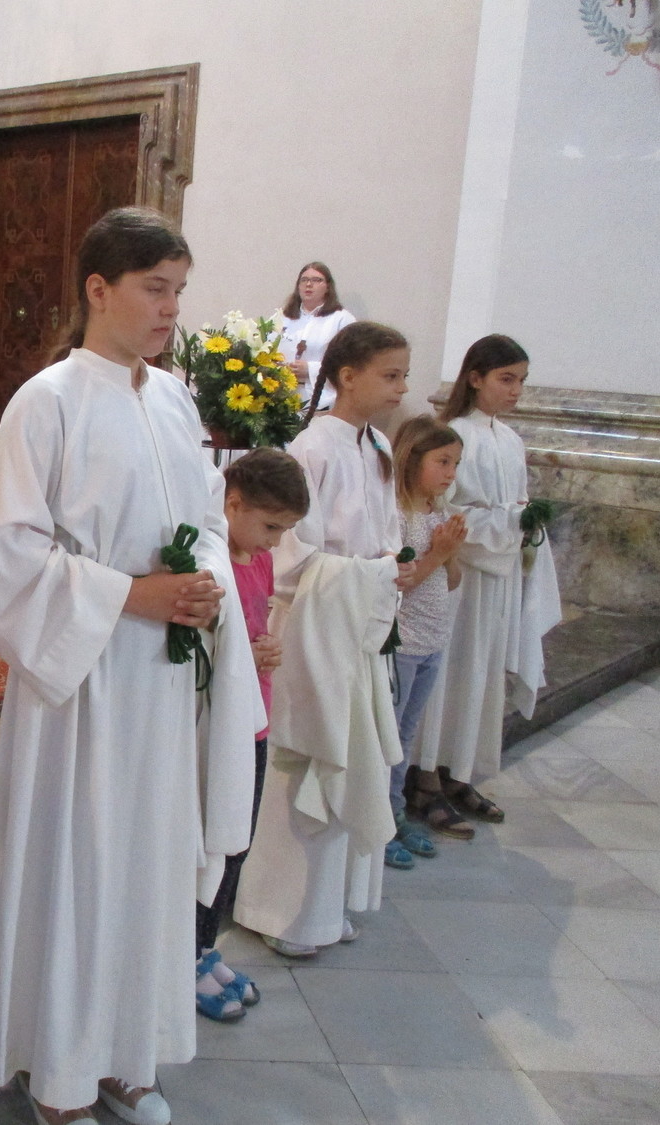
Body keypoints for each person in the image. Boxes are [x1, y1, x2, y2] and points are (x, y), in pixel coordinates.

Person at [0, 206, 261, 1125]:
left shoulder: (173, 399)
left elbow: (207, 522)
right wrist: (133, 594)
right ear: (98, 288)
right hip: (82, 682)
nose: (171, 309)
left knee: (147, 865)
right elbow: (3, 558)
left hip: (160, 681)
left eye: (179, 291)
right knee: (80, 868)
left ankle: (127, 1054)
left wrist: (204, 584)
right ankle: (61, 1073)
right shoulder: (45, 402)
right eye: (154, 289)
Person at [234, 321, 415, 958]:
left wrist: (389, 566)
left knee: (352, 753)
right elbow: (289, 555)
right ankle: (279, 911)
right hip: (310, 628)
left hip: (357, 623)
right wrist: (372, 573)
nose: (401, 389)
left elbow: (388, 535)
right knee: (306, 761)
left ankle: (327, 907)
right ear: (347, 376)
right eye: (390, 375)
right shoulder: (310, 449)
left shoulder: (379, 447)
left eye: (404, 376)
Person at [408, 335, 560, 836]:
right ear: (475, 378)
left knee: (481, 673)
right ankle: (425, 778)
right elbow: (447, 509)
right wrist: (509, 523)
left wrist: (522, 521)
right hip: (462, 577)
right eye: (506, 379)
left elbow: (514, 505)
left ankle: (458, 773)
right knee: (451, 672)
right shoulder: (453, 434)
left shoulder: (509, 439)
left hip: (498, 576)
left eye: (521, 381)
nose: (515, 390)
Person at [195, 448, 310, 1022]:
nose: (274, 542)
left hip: (256, 717)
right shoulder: (210, 562)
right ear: (232, 503)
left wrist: (267, 648)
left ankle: (205, 948)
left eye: (285, 531)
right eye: (270, 527)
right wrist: (245, 651)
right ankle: (186, 958)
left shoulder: (258, 560)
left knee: (238, 842)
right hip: (219, 722)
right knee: (212, 843)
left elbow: (255, 625)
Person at [384, 416, 467, 866]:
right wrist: (439, 552)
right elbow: (401, 582)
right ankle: (381, 823)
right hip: (402, 644)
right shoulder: (397, 516)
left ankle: (396, 813)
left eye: (455, 464)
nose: (451, 473)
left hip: (433, 640)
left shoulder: (437, 513)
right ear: (413, 459)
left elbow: (451, 581)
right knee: (390, 737)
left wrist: (450, 554)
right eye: (443, 461)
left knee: (407, 734)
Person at [275, 262, 356, 412]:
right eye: (304, 280)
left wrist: (310, 369)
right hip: (281, 398)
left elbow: (350, 363)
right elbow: (267, 352)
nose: (309, 284)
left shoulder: (341, 319)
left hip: (322, 401)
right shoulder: (282, 317)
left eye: (316, 280)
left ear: (328, 287)